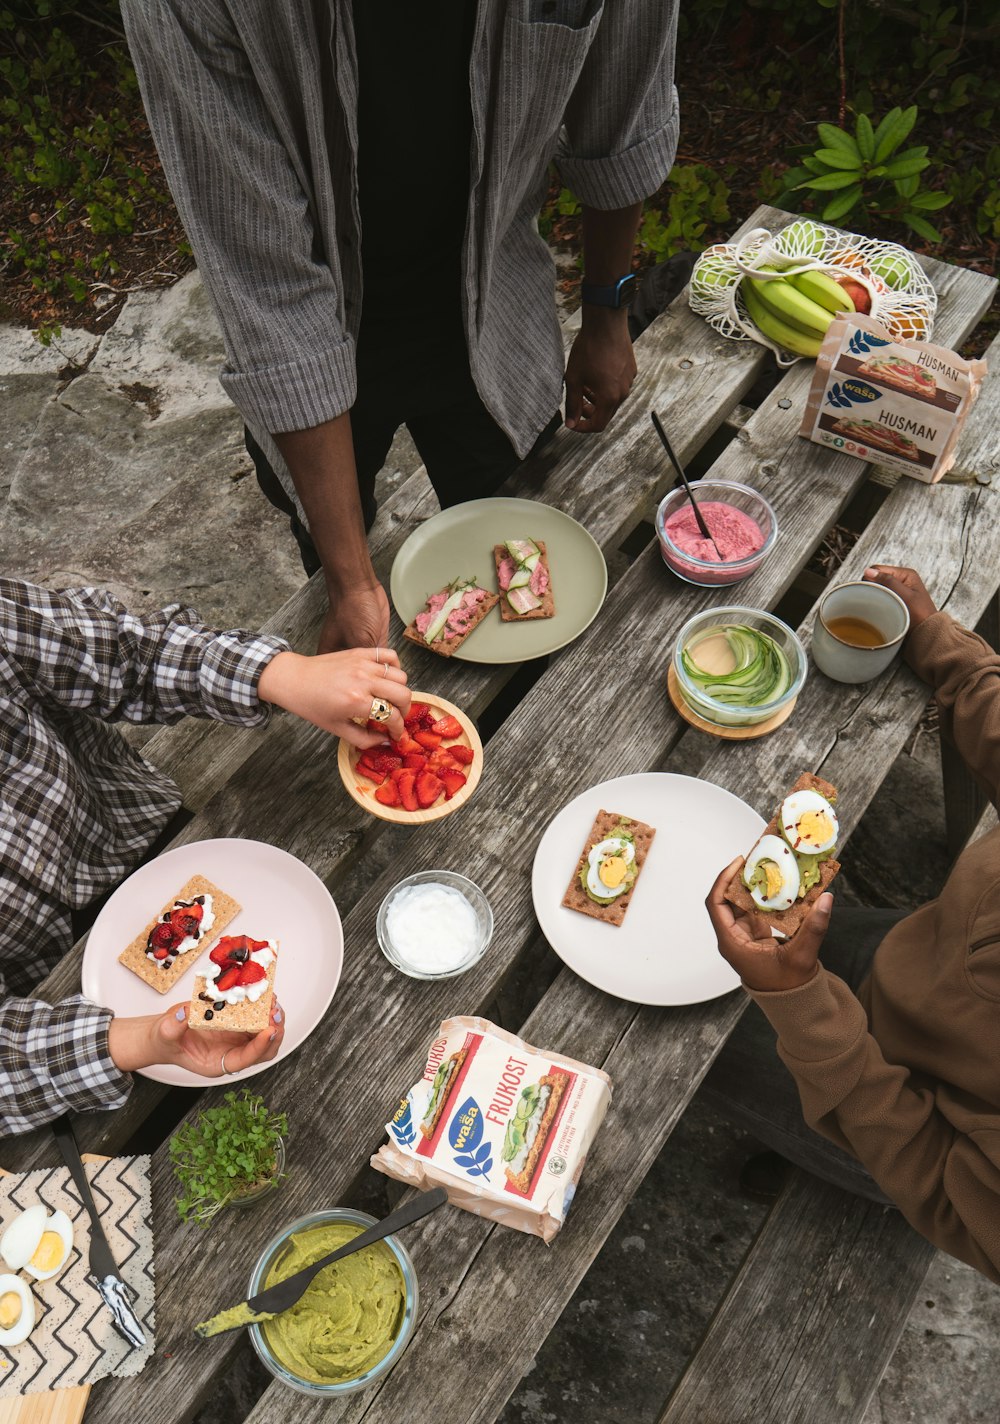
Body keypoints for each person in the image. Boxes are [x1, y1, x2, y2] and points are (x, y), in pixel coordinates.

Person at [119, 2, 681, 653]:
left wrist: (608, 310)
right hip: (319, 332)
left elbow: (624, 107)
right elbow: (269, 285)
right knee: (342, 577)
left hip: (498, 313)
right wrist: (353, 585)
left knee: (517, 561)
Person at [0, 577, 410, 1134]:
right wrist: (143, 1039)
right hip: (45, 995)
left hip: (138, 832)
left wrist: (282, 674)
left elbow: (120, 652)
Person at [703, 564, 1000, 1282]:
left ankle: (829, 1170)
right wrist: (943, 645)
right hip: (916, 953)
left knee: (688, 1047)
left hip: (902, 1106)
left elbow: (948, 1193)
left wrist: (802, 1006)